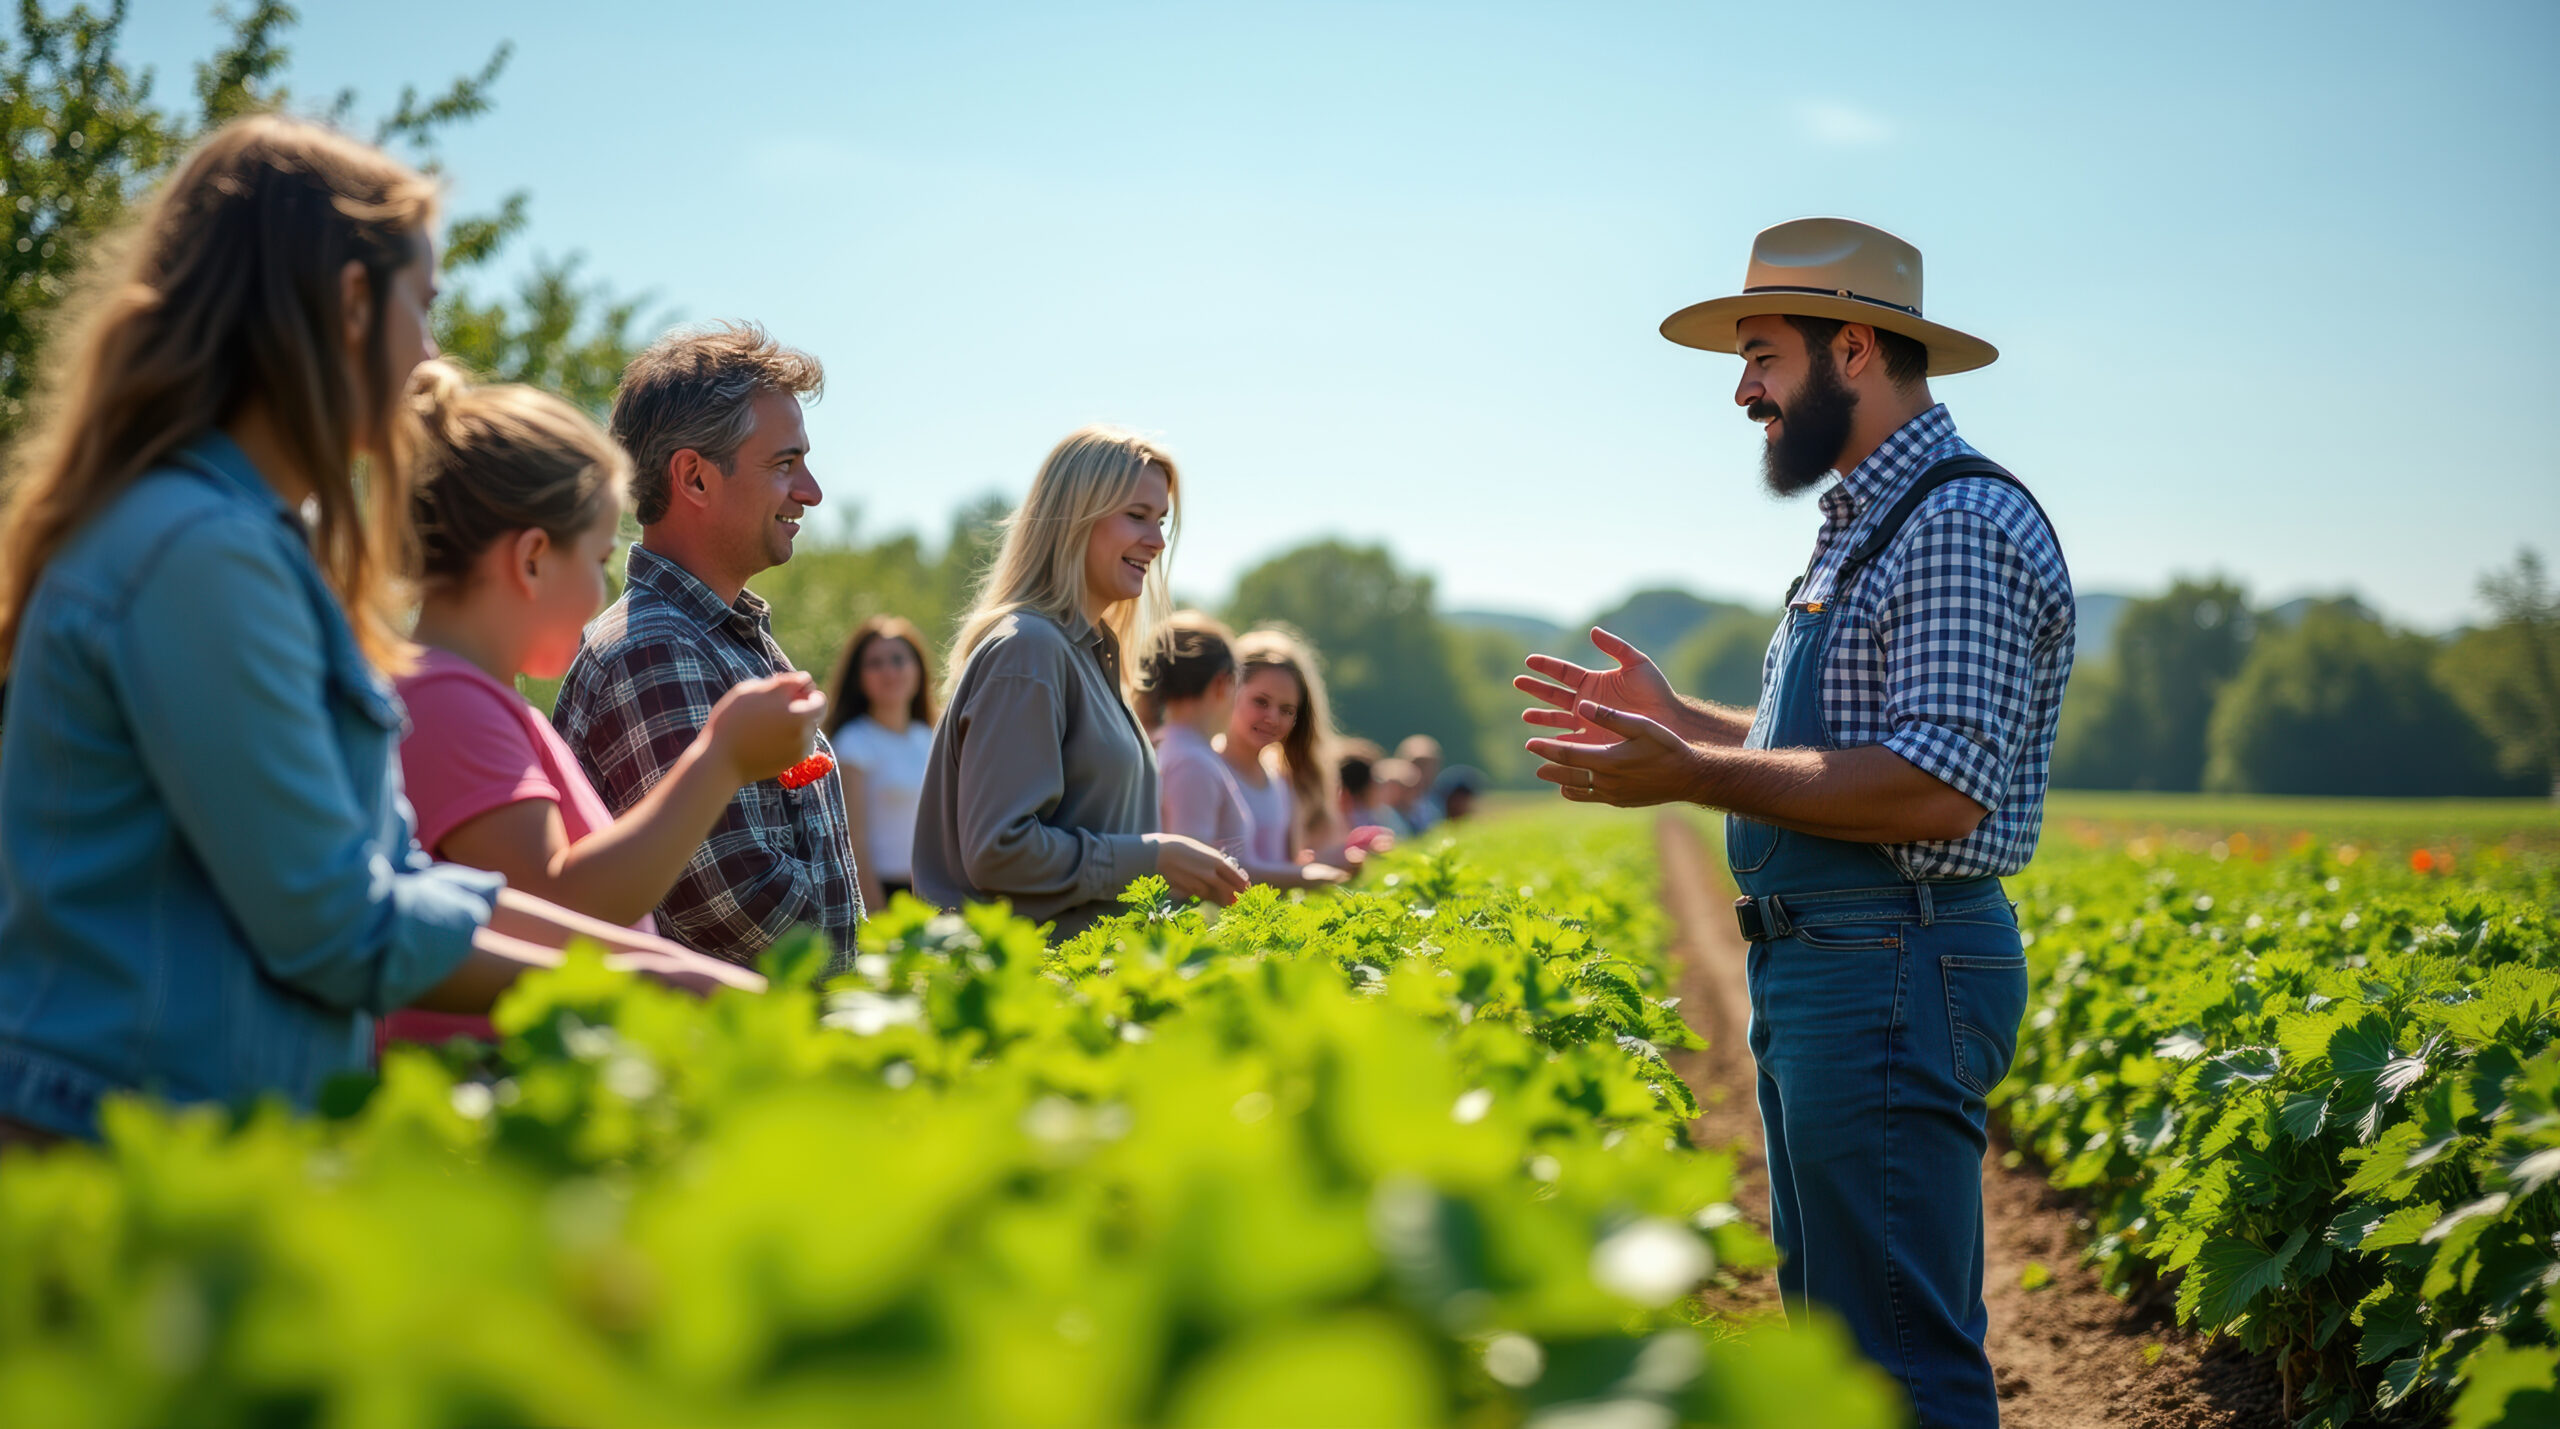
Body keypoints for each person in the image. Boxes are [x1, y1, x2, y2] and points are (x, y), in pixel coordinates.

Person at [0, 118, 757, 1146]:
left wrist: (663, 969)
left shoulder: (243, 541)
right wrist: (643, 987)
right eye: (424, 306)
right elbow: (335, 923)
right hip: (120, 1144)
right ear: (351, 306)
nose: (434, 353)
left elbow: (395, 875)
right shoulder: (198, 551)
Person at [1518, 217, 2072, 1427]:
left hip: (1891, 956)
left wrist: (1693, 775)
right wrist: (1691, 724)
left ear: (1855, 349)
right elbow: (1829, 745)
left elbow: (1934, 784)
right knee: (1838, 1342)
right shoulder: (1868, 519)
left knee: (1900, 1358)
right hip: (1838, 962)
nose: (1742, 388)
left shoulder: (1955, 524)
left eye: (1761, 353)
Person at [389, 363, 828, 1046]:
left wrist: (669, 967)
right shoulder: (448, 703)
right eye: (596, 560)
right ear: (533, 558)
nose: (604, 594)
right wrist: (722, 757)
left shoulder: (481, 703)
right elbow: (561, 907)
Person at [554, 324, 862, 968]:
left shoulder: (715, 638)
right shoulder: (657, 650)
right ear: (694, 478)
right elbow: (733, 907)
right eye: (785, 463)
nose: (811, 491)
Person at [912, 425, 1248, 937]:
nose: (1156, 541)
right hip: (1028, 991)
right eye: (1136, 516)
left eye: (1161, 521)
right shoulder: (1029, 650)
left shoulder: (1087, 655)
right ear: (1074, 519)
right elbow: (1000, 852)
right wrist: (1153, 857)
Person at [823, 615, 939, 909]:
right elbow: (853, 841)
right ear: (858, 677)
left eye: (899, 659)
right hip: (882, 896)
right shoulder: (853, 742)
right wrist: (878, 916)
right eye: (875, 663)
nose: (889, 671)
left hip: (933, 893)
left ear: (918, 669)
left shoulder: (931, 737)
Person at [1218, 628, 1349, 887]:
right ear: (1229, 688)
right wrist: (1304, 876)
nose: (1273, 718)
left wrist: (1329, 863)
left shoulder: (1279, 779)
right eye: (1261, 702)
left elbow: (1281, 865)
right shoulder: (1208, 768)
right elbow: (1222, 867)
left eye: (1287, 710)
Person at [1139, 610, 1254, 859]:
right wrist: (1308, 876)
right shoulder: (1193, 762)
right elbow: (1193, 874)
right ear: (1222, 683)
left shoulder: (1167, 745)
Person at [1395, 733, 1446, 830]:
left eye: (1431, 765)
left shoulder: (1434, 800)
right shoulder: (1387, 802)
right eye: (1419, 763)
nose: (1425, 771)